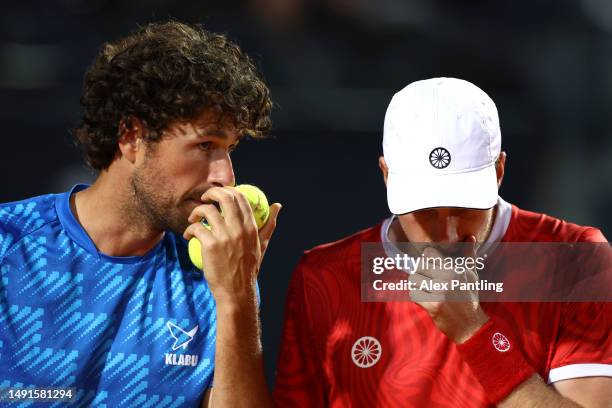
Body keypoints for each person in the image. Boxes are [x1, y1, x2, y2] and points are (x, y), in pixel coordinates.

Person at [273, 77, 611, 407]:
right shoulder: (323, 277)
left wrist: (473, 332)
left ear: (500, 170)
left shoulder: (575, 258)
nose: (448, 235)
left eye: (465, 207)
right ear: (386, 174)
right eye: (425, 210)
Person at [0, 21, 280, 407]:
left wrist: (238, 297)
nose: (225, 177)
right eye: (205, 145)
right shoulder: (7, 244)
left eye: (229, 149)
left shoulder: (217, 277)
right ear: (131, 136)